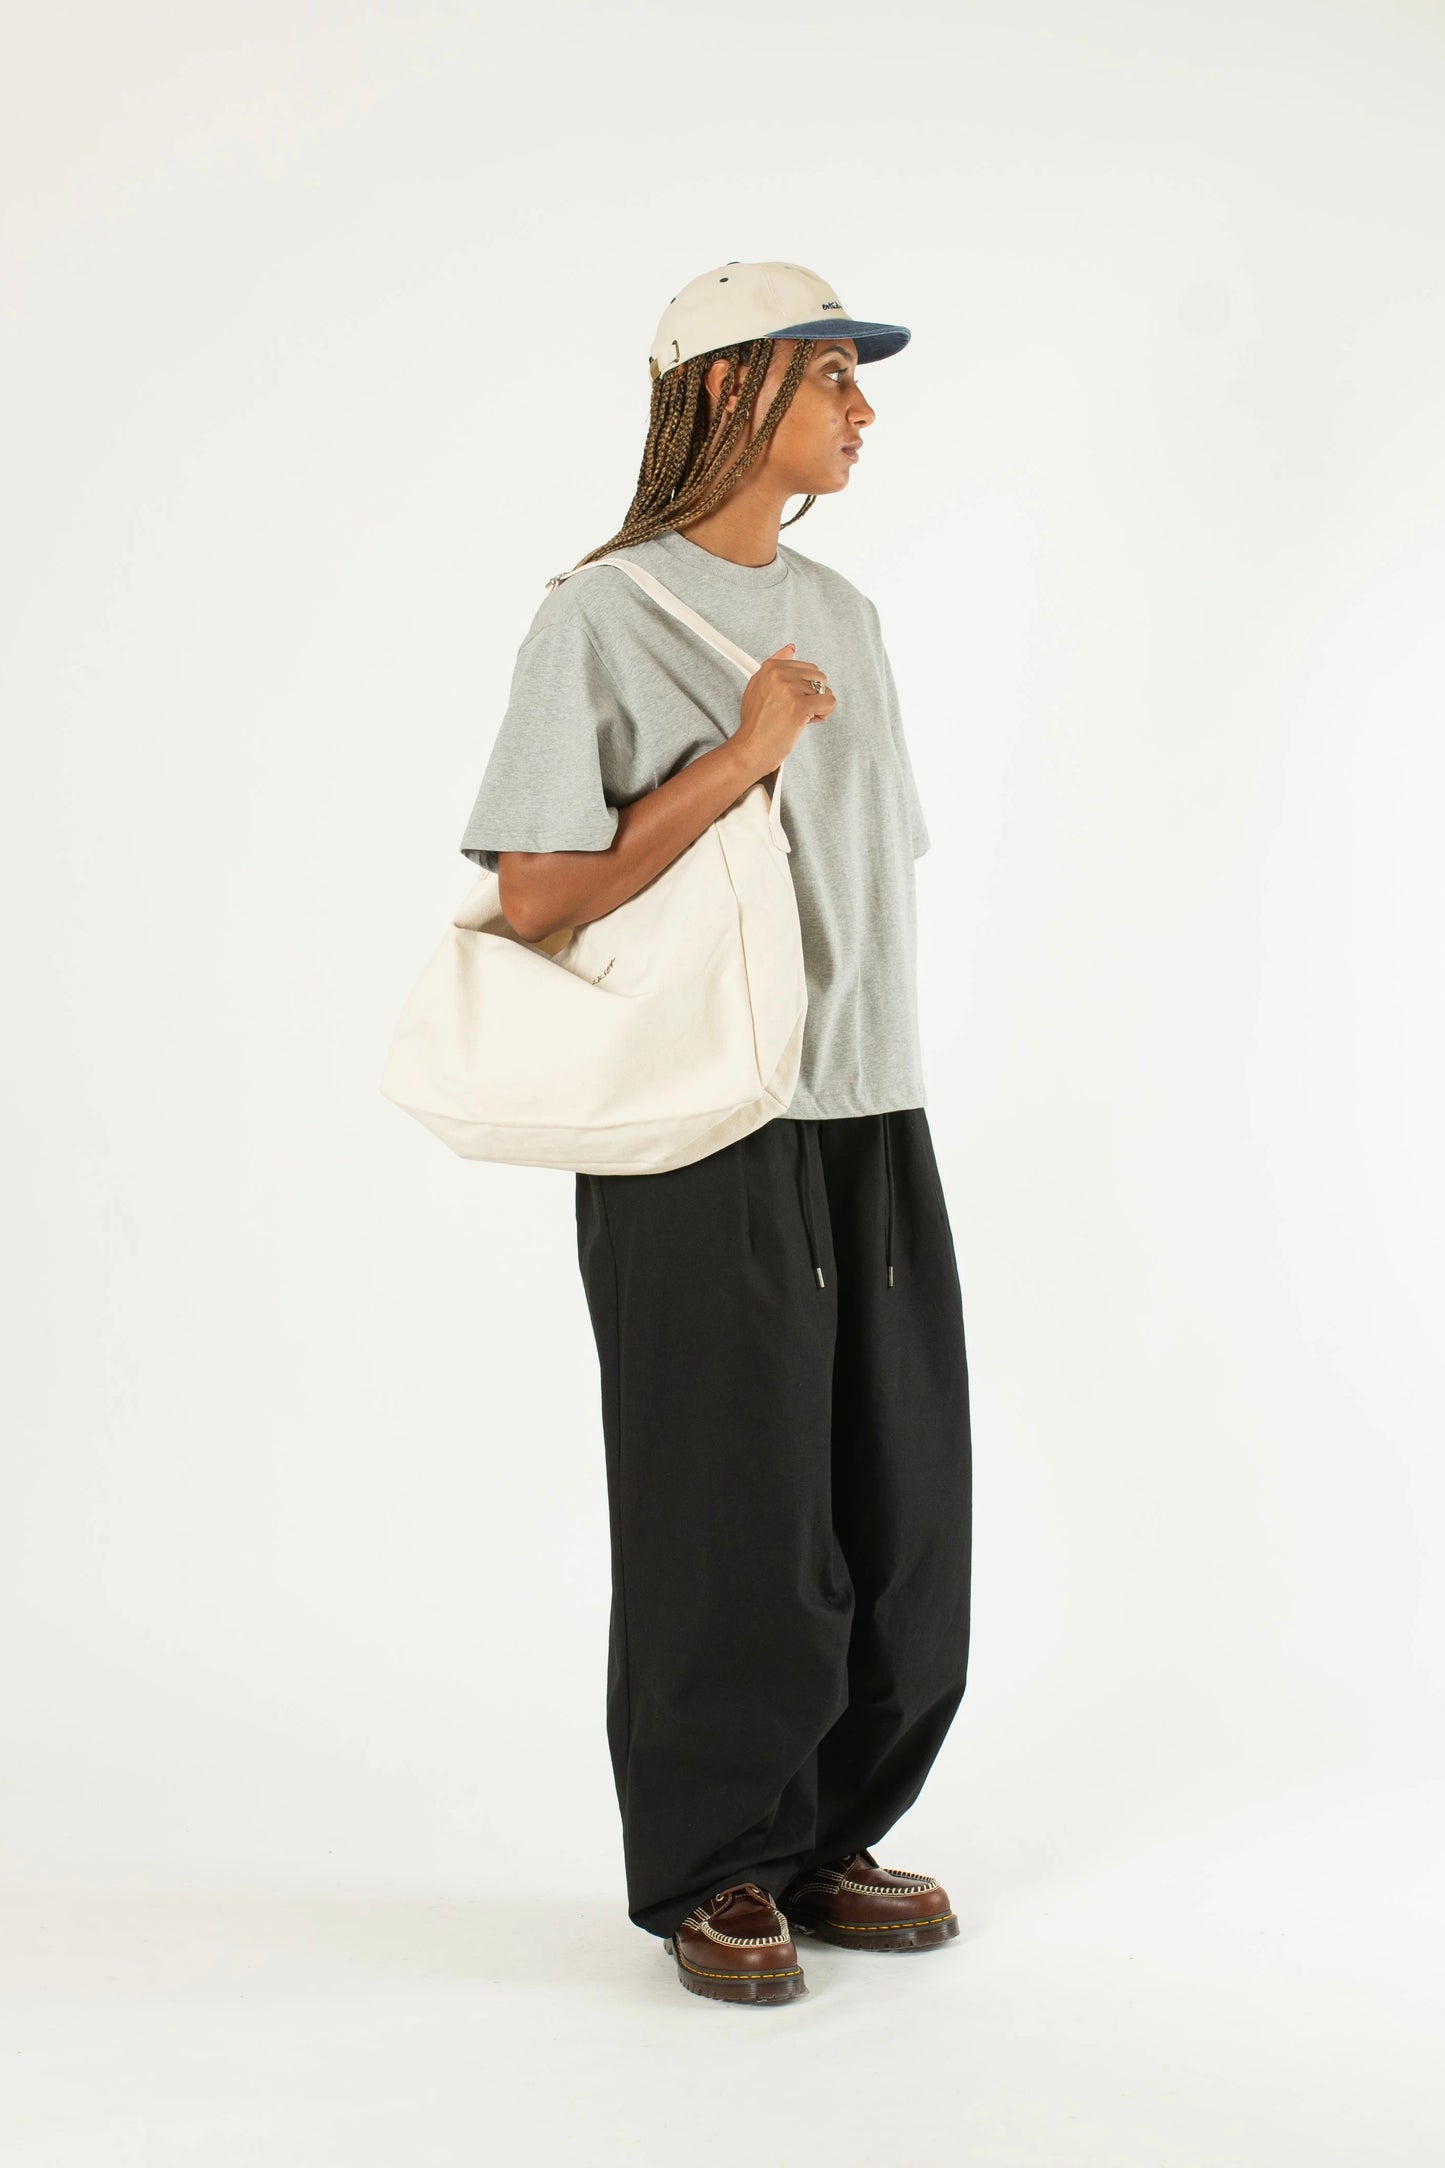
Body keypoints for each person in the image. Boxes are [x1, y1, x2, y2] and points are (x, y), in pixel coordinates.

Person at [459, 261, 973, 2006]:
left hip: (866, 1104)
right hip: (696, 1124)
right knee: (723, 1510)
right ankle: (712, 1864)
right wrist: (739, 756)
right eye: (830, 373)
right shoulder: (597, 619)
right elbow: (536, 893)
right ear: (726, 388)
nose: (862, 407)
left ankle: (826, 1834)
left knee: (896, 1511)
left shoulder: (847, 612)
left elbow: (871, 877)